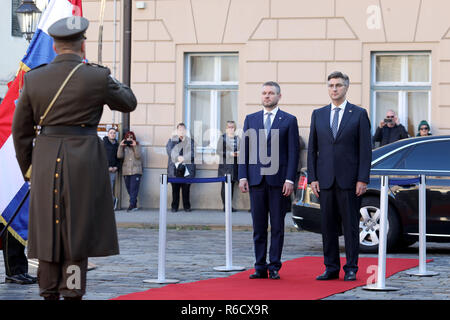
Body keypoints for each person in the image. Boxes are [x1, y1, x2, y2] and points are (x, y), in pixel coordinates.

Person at [11, 16, 137, 300]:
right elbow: (129, 101)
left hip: (44, 160)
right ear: (83, 46)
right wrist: (105, 74)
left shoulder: (33, 78)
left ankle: (49, 291)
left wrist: (30, 169)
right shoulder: (97, 76)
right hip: (84, 161)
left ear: (54, 47)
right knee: (76, 232)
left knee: (47, 231)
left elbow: (20, 132)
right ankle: (72, 291)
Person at [307, 71, 372, 281]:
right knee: (328, 226)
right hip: (325, 181)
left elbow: (365, 150)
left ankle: (351, 267)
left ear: (346, 87)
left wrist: (363, 179)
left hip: (350, 181)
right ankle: (331, 267)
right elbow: (312, 149)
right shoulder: (318, 114)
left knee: (351, 226)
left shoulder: (359, 114)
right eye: (331, 85)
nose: (334, 89)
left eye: (338, 85)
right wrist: (313, 178)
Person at [238, 81, 300, 280]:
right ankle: (259, 266)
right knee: (258, 226)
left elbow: (293, 152)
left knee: (277, 226)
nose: (267, 96)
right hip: (256, 180)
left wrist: (290, 179)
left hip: (279, 182)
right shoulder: (251, 119)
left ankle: (274, 266)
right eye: (264, 93)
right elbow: (245, 151)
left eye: (271, 93)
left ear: (279, 96)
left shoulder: (289, 120)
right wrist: (243, 176)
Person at [166, 123, 196, 212]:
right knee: (175, 190)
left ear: (185, 131)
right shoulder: (172, 140)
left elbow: (193, 153)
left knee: (186, 190)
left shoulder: (191, 141)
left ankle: (187, 207)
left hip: (187, 169)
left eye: (183, 129)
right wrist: (177, 157)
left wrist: (184, 158)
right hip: (175, 169)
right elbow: (169, 151)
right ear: (177, 131)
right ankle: (174, 207)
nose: (181, 131)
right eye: (180, 129)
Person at [216, 120, 240, 212]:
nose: (231, 129)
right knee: (225, 186)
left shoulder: (237, 138)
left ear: (235, 128)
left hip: (234, 166)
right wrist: (230, 153)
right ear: (226, 128)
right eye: (229, 127)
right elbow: (218, 151)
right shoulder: (222, 138)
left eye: (232, 127)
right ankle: (225, 207)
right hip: (225, 166)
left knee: (232, 187)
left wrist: (239, 153)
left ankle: (230, 206)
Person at [117, 131, 143, 212]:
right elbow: (119, 156)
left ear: (133, 138)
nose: (129, 138)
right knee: (129, 188)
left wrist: (135, 146)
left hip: (136, 171)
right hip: (126, 171)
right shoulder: (124, 147)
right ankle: (134, 204)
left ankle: (131, 205)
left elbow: (138, 156)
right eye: (128, 137)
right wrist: (121, 146)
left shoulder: (137, 145)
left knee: (133, 189)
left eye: (131, 137)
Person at [103, 127, 120, 209]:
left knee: (110, 187)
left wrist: (116, 167)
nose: (113, 134)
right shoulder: (103, 144)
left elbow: (119, 158)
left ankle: (112, 201)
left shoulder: (117, 145)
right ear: (108, 134)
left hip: (113, 169)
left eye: (114, 133)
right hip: (103, 169)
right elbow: (101, 157)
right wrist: (107, 167)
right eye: (111, 133)